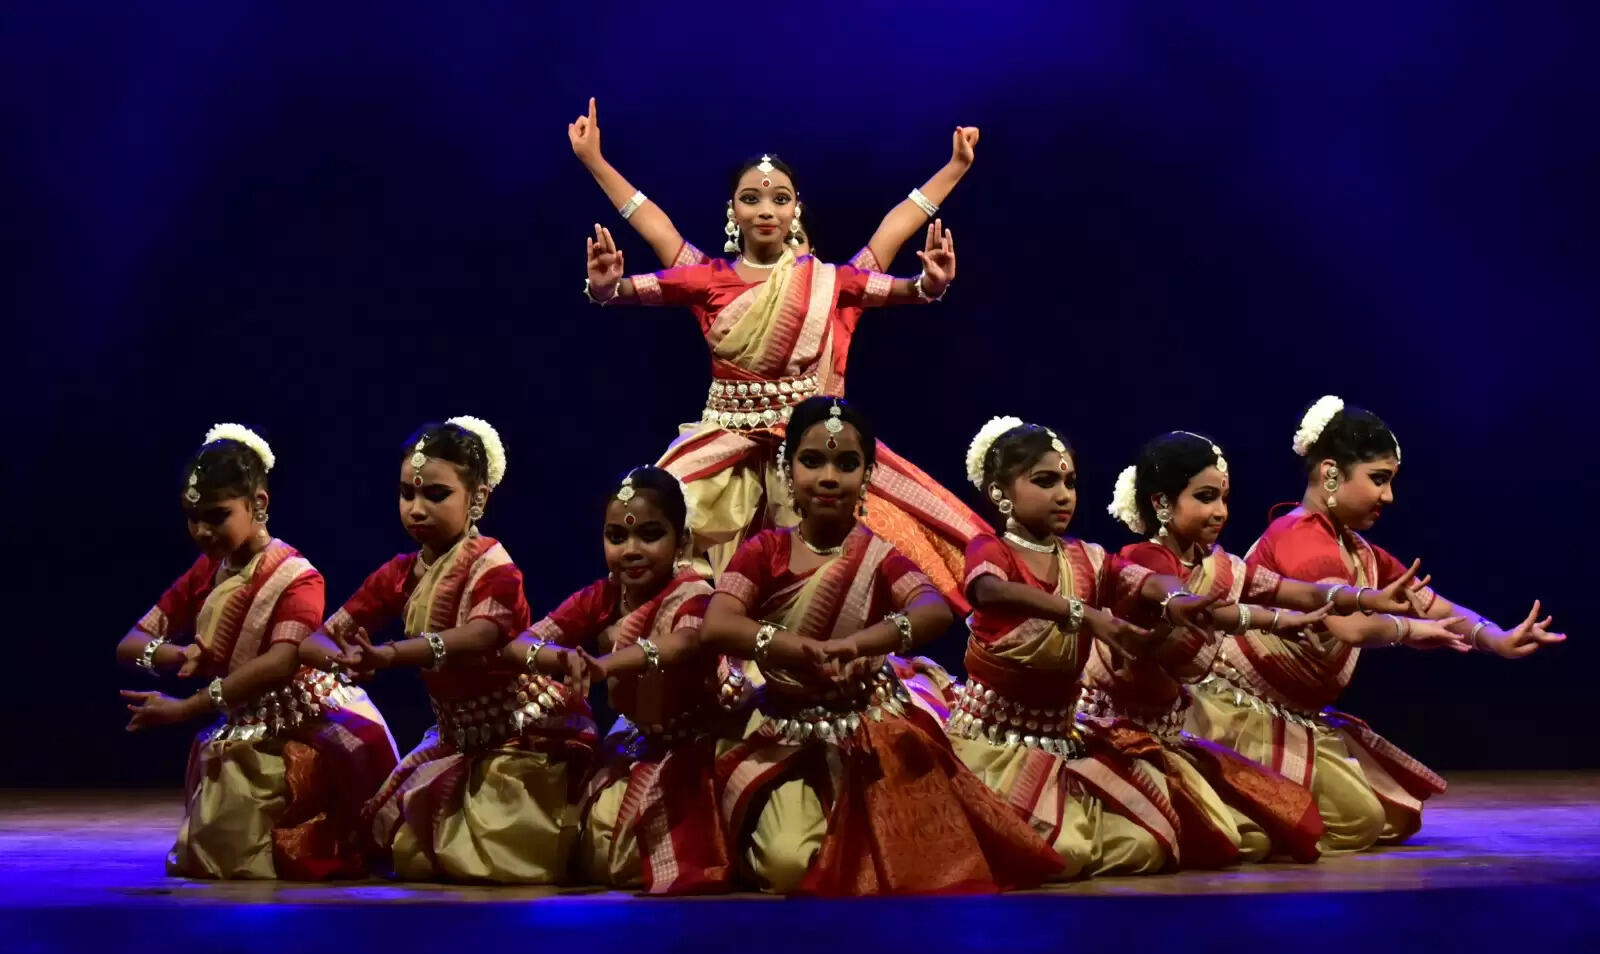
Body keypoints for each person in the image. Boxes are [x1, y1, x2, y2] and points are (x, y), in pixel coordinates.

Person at [118, 424, 397, 879]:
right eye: (193, 517)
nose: (202, 530)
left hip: (307, 725)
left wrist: (187, 706)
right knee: (214, 848)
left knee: (252, 847)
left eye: (217, 515)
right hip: (238, 720)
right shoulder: (206, 572)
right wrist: (174, 653)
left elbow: (281, 661)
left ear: (259, 505)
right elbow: (129, 645)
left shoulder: (297, 577)